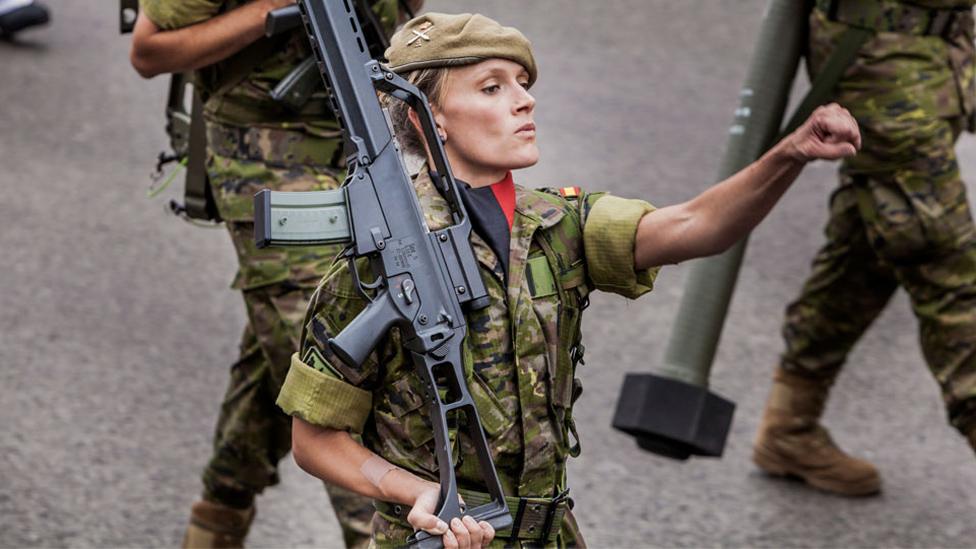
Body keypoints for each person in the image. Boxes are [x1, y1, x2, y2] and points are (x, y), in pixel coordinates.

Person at [275, 12, 862, 548]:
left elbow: (697, 226)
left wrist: (791, 153)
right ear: (426, 119)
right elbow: (315, 439)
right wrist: (415, 493)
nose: (523, 101)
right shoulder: (381, 260)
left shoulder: (559, 224)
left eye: (523, 84)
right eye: (491, 87)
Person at [128, 0, 414, 546]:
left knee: (287, 346)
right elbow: (149, 51)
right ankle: (383, 532)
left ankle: (218, 515)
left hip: (367, 142)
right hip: (264, 152)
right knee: (343, 364)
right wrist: (268, 9)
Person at [752, 0, 976, 497]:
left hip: (935, 50)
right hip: (882, 57)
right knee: (948, 266)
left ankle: (790, 423)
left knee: (873, 243)